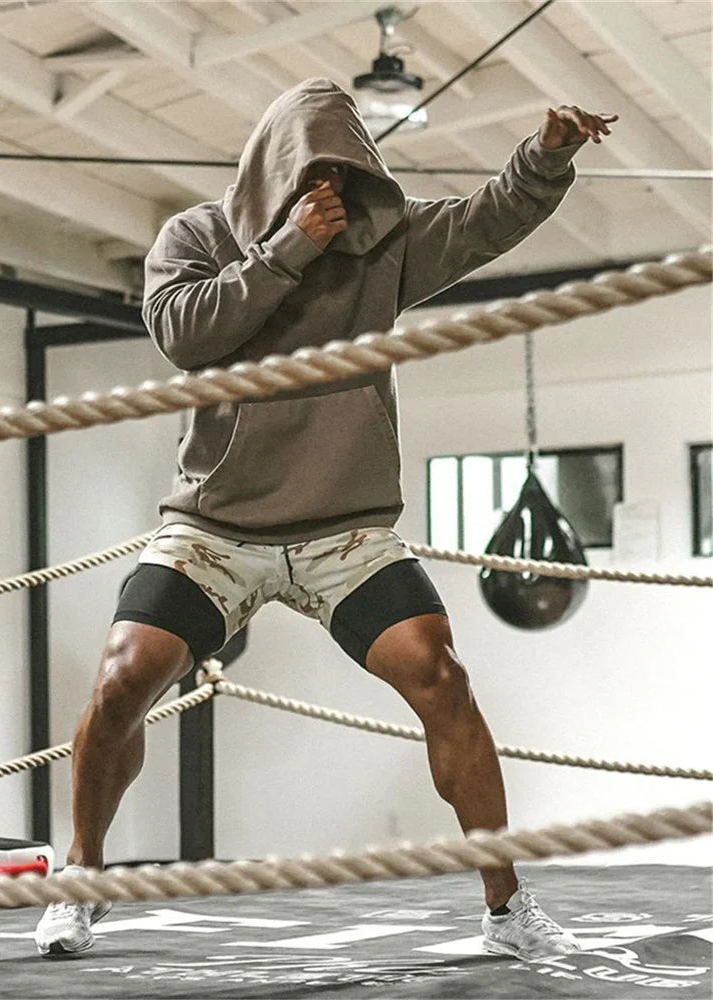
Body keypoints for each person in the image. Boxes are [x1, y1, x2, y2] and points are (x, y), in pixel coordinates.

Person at [35, 79, 617, 960]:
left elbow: (485, 219)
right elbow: (182, 335)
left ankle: (506, 908)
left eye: (347, 171)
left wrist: (546, 157)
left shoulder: (383, 242)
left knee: (442, 676)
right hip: (216, 527)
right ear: (274, 168)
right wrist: (283, 253)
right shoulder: (194, 235)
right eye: (313, 172)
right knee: (122, 677)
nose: (331, 189)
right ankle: (81, 880)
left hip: (345, 530)